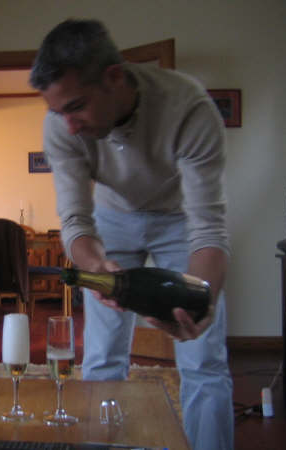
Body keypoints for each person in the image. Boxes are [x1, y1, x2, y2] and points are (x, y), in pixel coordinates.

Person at [30, 19, 233, 450]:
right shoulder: (61, 125)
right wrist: (93, 265)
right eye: (59, 111)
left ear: (114, 77)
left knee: (204, 359)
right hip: (111, 222)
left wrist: (203, 299)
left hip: (178, 218)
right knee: (102, 356)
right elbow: (76, 221)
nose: (68, 125)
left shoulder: (189, 108)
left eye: (77, 106)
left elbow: (208, 230)